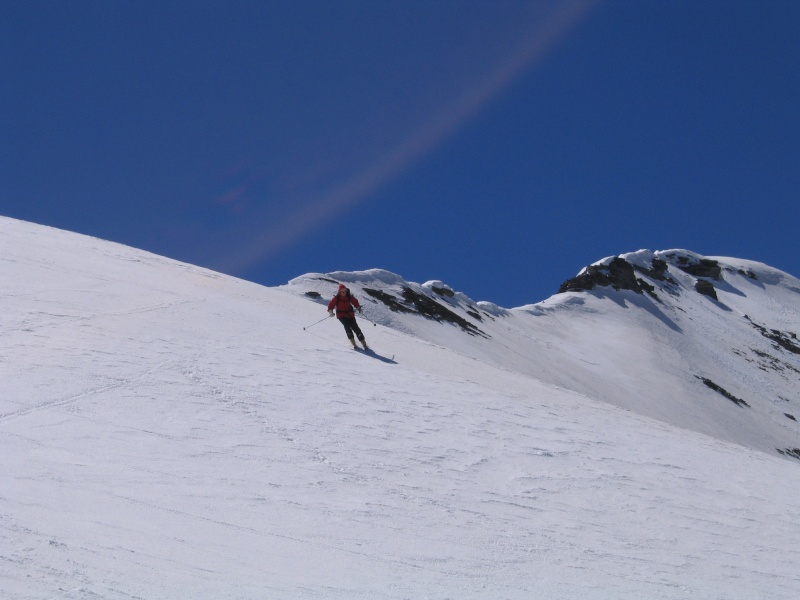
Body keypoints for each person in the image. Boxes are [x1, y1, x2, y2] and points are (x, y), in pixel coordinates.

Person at [327, 284, 368, 349]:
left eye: (345, 291)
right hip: (341, 315)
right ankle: (353, 342)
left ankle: (363, 342)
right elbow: (331, 305)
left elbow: (355, 302)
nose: (344, 293)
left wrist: (358, 308)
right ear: (339, 291)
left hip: (350, 314)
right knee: (347, 326)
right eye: (342, 291)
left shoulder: (349, 296)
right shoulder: (336, 298)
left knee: (355, 327)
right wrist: (330, 311)